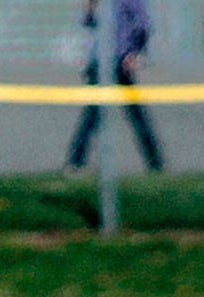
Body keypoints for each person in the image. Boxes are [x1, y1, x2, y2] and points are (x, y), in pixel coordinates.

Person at [65, 0, 164, 172]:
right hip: (101, 61)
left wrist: (134, 52)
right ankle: (76, 162)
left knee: (132, 115)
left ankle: (155, 162)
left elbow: (142, 25)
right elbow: (88, 22)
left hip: (119, 60)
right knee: (95, 115)